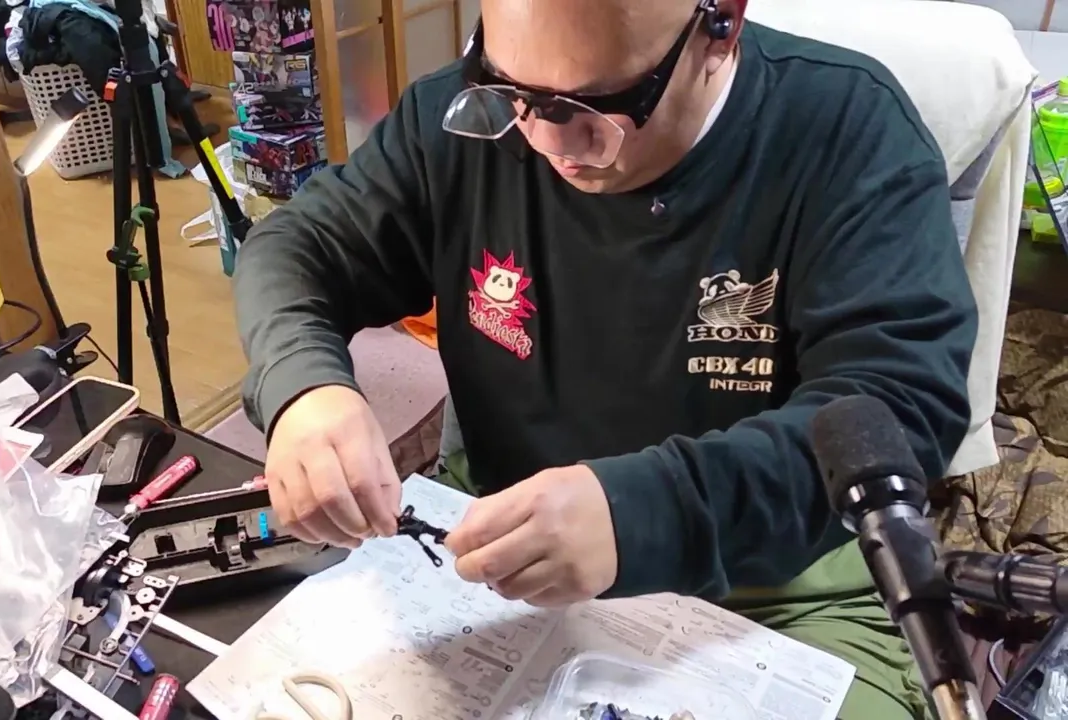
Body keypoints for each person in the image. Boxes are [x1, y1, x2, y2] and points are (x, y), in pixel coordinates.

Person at [231, 0, 978, 717]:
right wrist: (305, 388)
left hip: (782, 589)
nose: (546, 140)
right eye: (510, 89)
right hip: (496, 545)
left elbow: (897, 406)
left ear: (721, 27)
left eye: (594, 105)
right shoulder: (464, 122)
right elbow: (297, 248)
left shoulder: (850, 132)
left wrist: (643, 514)